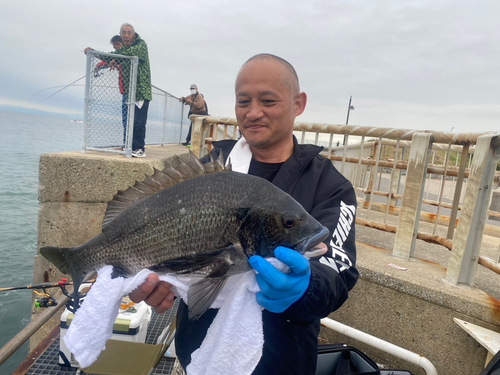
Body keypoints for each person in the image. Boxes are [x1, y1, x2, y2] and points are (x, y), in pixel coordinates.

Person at [129, 53, 359, 375]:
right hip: (195, 357)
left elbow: (338, 272)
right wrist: (157, 285)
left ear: (298, 103)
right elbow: (175, 254)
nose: (253, 113)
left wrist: (307, 287)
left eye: (268, 100)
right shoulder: (211, 167)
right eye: (243, 101)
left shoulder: (330, 186)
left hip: (281, 365)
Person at [85, 23, 152, 158]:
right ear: (120, 35)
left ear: (134, 34)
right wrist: (95, 53)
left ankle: (139, 149)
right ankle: (129, 146)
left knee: (139, 121)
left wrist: (108, 56)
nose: (126, 36)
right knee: (129, 121)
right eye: (123, 33)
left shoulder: (141, 45)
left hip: (141, 91)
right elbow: (115, 55)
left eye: (129, 33)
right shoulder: (125, 49)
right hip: (129, 91)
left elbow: (123, 54)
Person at [93, 35, 128, 147]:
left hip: (129, 92)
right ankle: (126, 144)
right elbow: (109, 60)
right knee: (125, 120)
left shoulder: (126, 54)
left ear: (119, 44)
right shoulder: (119, 56)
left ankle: (127, 145)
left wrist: (118, 65)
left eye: (116, 47)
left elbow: (114, 59)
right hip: (125, 92)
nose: (115, 50)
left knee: (128, 120)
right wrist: (99, 65)